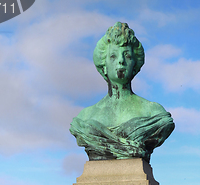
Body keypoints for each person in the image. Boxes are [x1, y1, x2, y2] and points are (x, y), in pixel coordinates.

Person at [69, 22, 174, 162]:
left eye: (127, 56)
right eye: (113, 56)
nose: (121, 61)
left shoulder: (154, 113)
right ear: (103, 65)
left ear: (135, 66)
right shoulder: (85, 117)